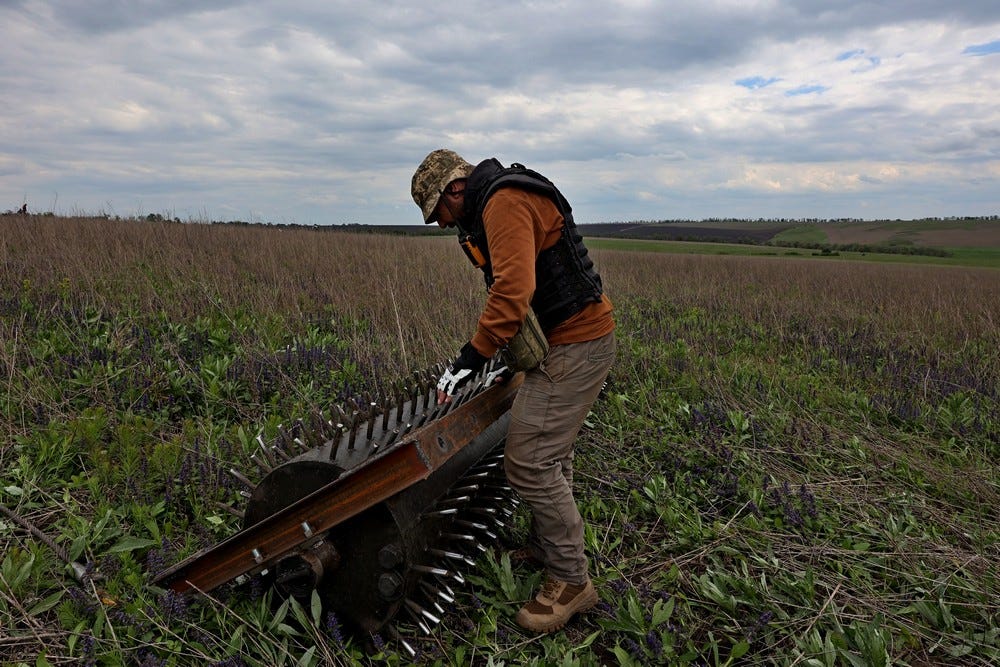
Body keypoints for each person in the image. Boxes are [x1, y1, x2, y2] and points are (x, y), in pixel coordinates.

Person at [410, 149, 616, 633]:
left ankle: (570, 582)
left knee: (529, 460)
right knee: (549, 449)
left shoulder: (502, 203)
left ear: (454, 191)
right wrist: (504, 358)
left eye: (438, 213)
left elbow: (513, 292)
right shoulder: (497, 200)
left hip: (578, 343)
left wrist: (472, 357)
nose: (440, 225)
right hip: (568, 340)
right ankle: (550, 547)